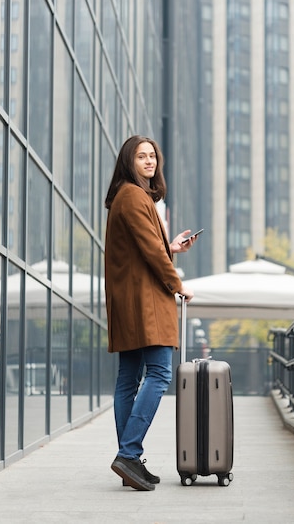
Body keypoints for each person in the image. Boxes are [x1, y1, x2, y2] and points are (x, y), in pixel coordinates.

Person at [104, 135, 196, 491]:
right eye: (141, 156)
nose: (149, 161)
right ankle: (128, 453)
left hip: (131, 300)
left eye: (153, 156)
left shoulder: (129, 197)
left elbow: (150, 249)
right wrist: (178, 284)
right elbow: (151, 254)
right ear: (129, 161)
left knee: (129, 378)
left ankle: (130, 461)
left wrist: (171, 248)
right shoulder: (132, 195)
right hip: (144, 303)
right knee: (158, 373)